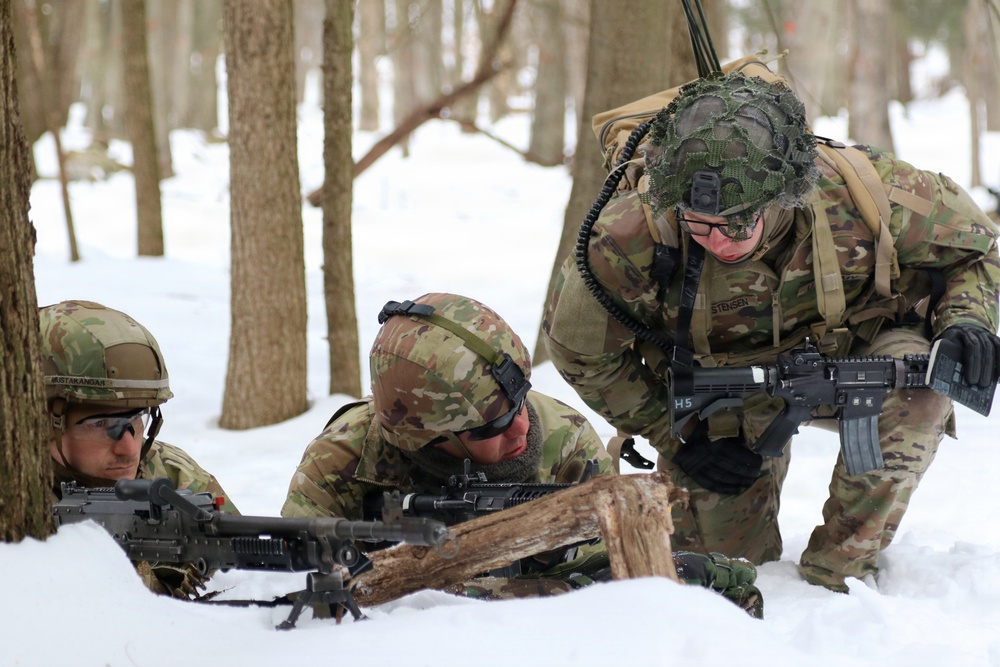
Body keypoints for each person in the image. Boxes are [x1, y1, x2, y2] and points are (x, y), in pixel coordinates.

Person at [543, 71, 1000, 593]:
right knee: (718, 575)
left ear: (784, 195)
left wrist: (968, 318)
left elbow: (980, 249)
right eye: (700, 224)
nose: (719, 241)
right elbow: (578, 351)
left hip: (859, 357)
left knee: (917, 390)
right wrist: (676, 435)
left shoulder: (872, 193)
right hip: (720, 396)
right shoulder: (631, 235)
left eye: (738, 223)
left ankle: (841, 575)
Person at [282, 292, 762, 613]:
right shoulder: (342, 463)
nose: (522, 427)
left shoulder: (566, 442)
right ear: (425, 439)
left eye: (521, 400)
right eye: (492, 426)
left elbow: (609, 599)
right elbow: (307, 601)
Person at [41, 299, 239, 596]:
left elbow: (240, 573)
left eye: (137, 419)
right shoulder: (16, 497)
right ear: (42, 423)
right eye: (101, 424)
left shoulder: (169, 473)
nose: (129, 448)